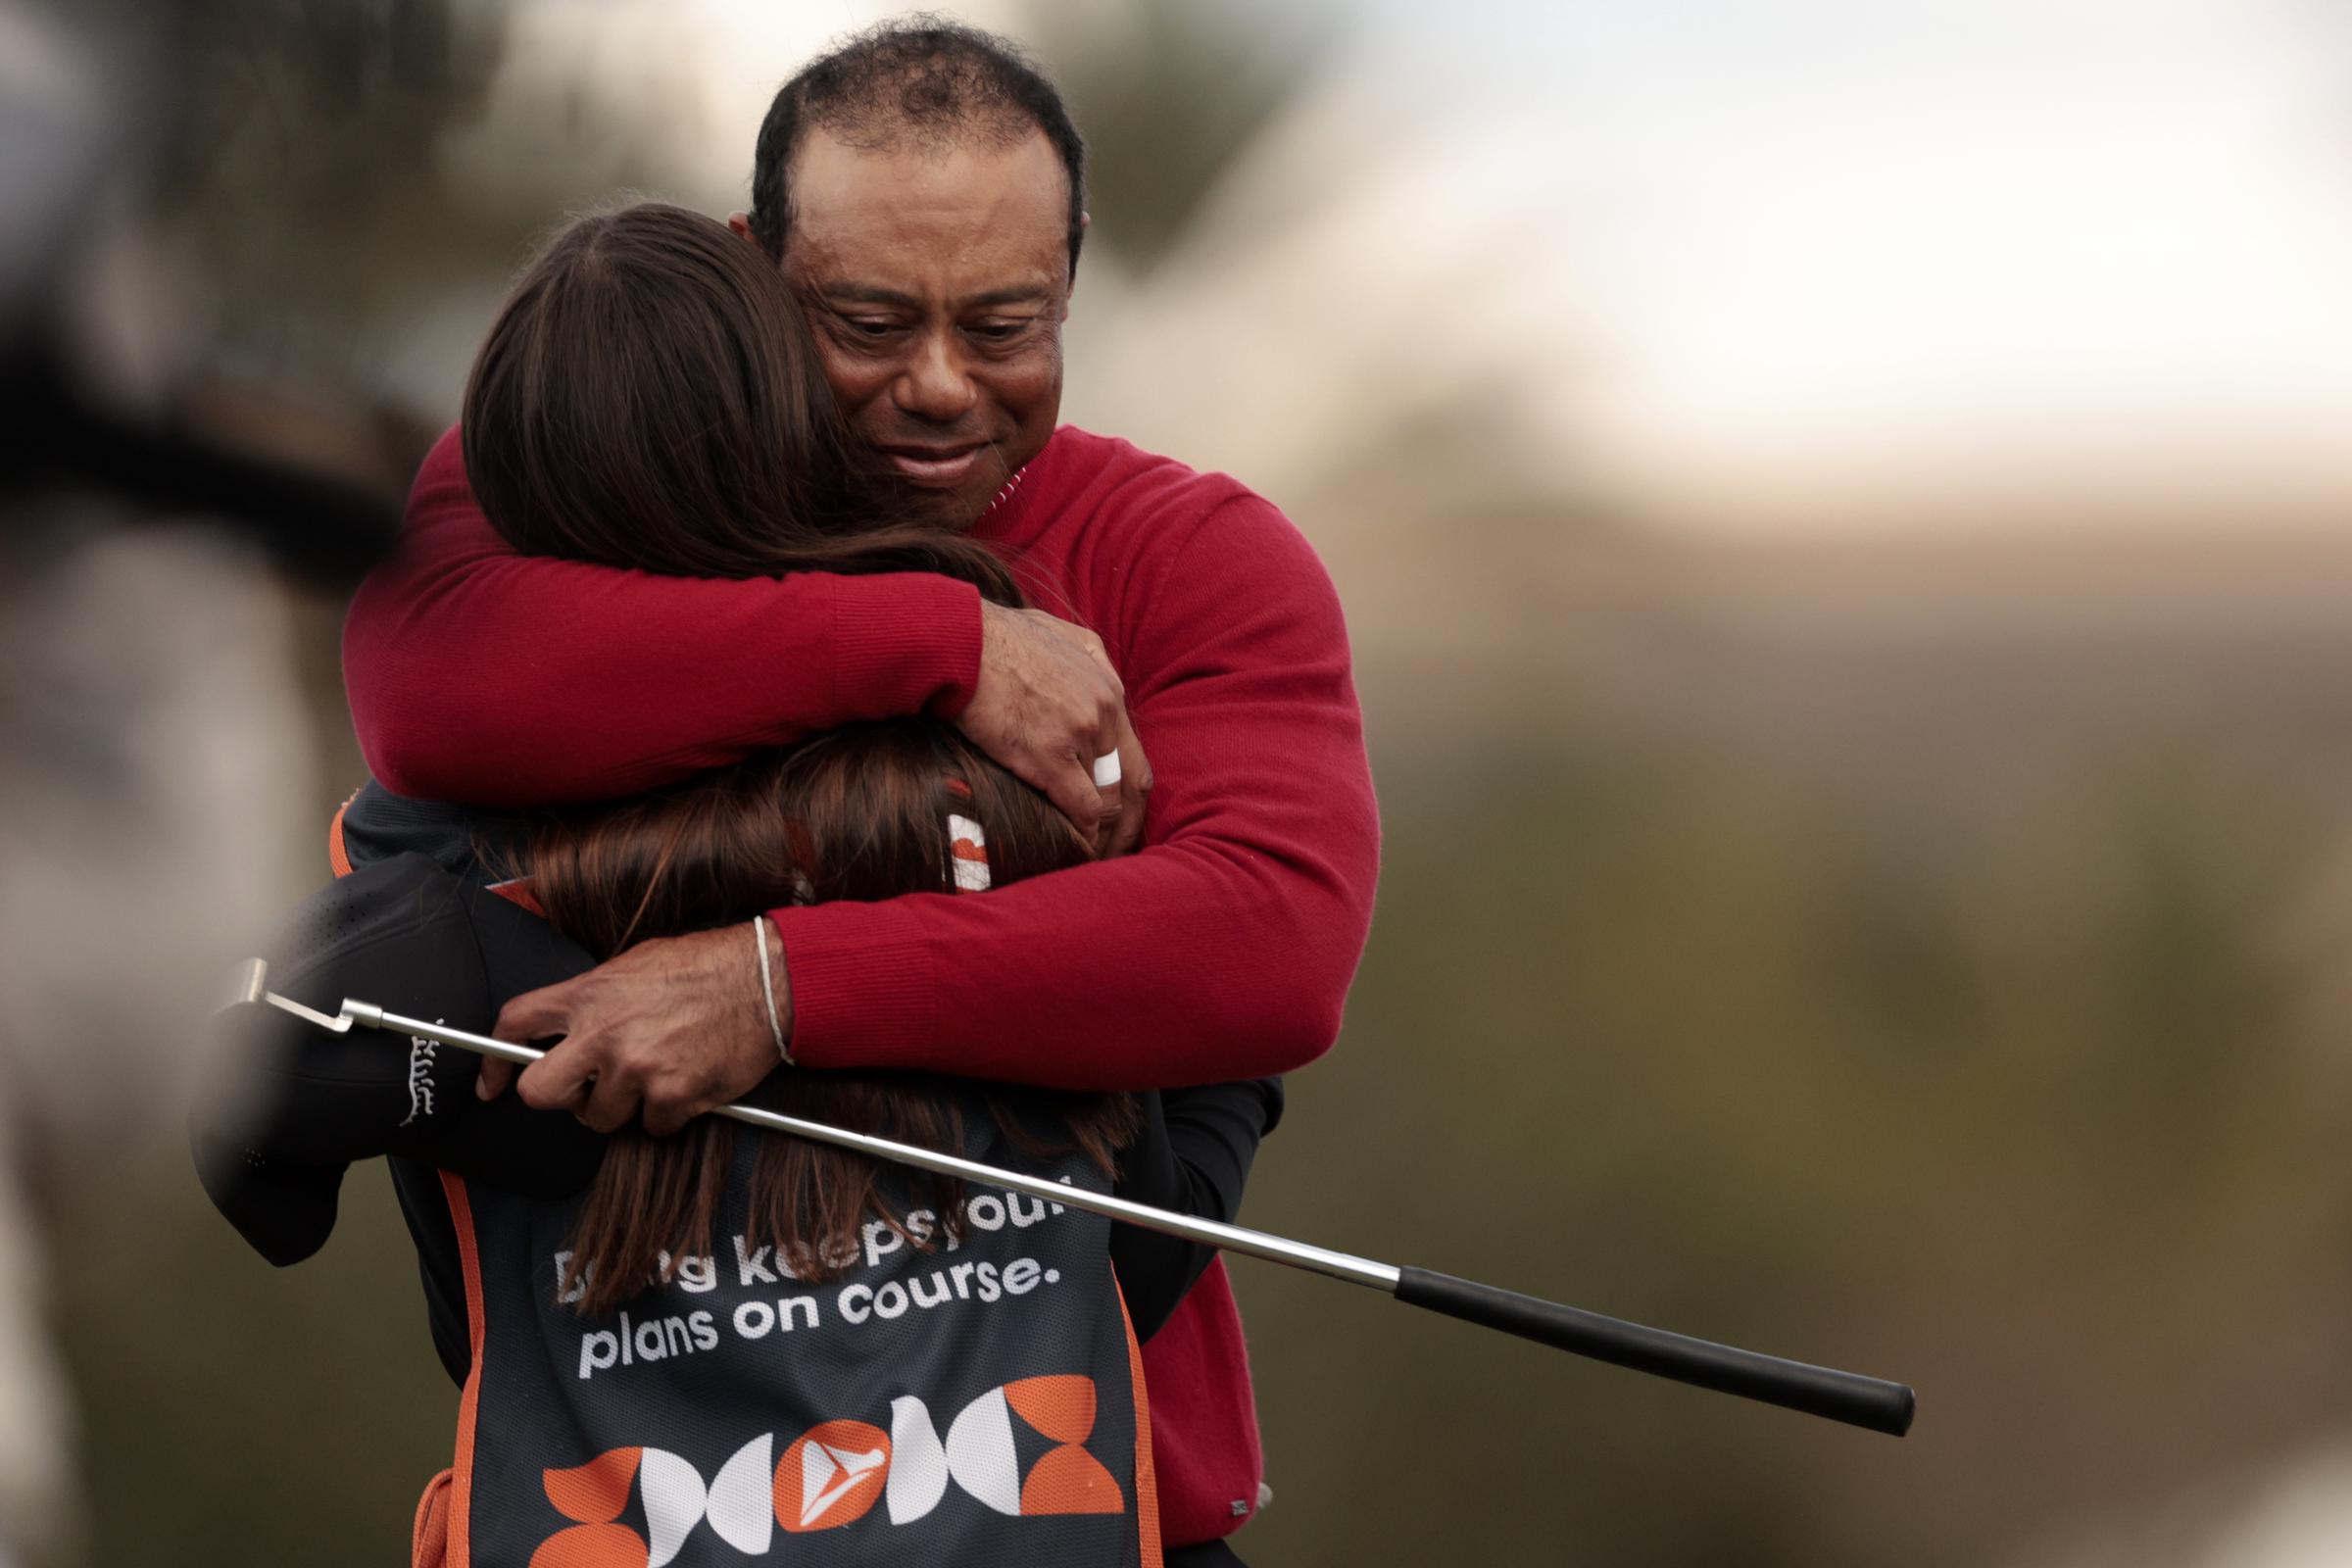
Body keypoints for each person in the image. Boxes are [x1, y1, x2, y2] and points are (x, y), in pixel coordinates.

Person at [336, 20, 1380, 1559]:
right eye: (870, 322)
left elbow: (1273, 937)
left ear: (1075, 276)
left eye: (1008, 324)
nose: (942, 387)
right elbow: (425, 686)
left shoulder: (1195, 554)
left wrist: (775, 986)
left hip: (1081, 1499)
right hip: (634, 1496)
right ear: (761, 269)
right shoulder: (589, 484)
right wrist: (941, 642)